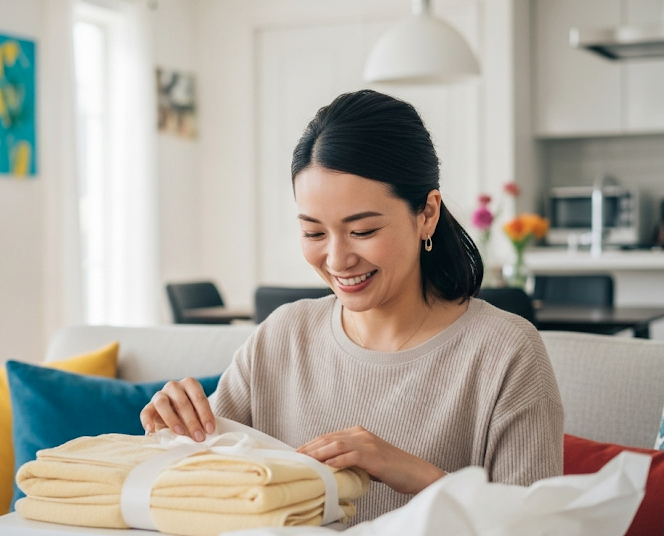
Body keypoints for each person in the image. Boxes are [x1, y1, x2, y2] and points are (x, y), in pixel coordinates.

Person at [141, 90, 564, 524]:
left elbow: (539, 528)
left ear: (427, 214)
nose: (338, 260)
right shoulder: (282, 335)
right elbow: (196, 482)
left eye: (362, 231)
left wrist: (416, 475)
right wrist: (172, 427)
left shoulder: (507, 352)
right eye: (314, 233)